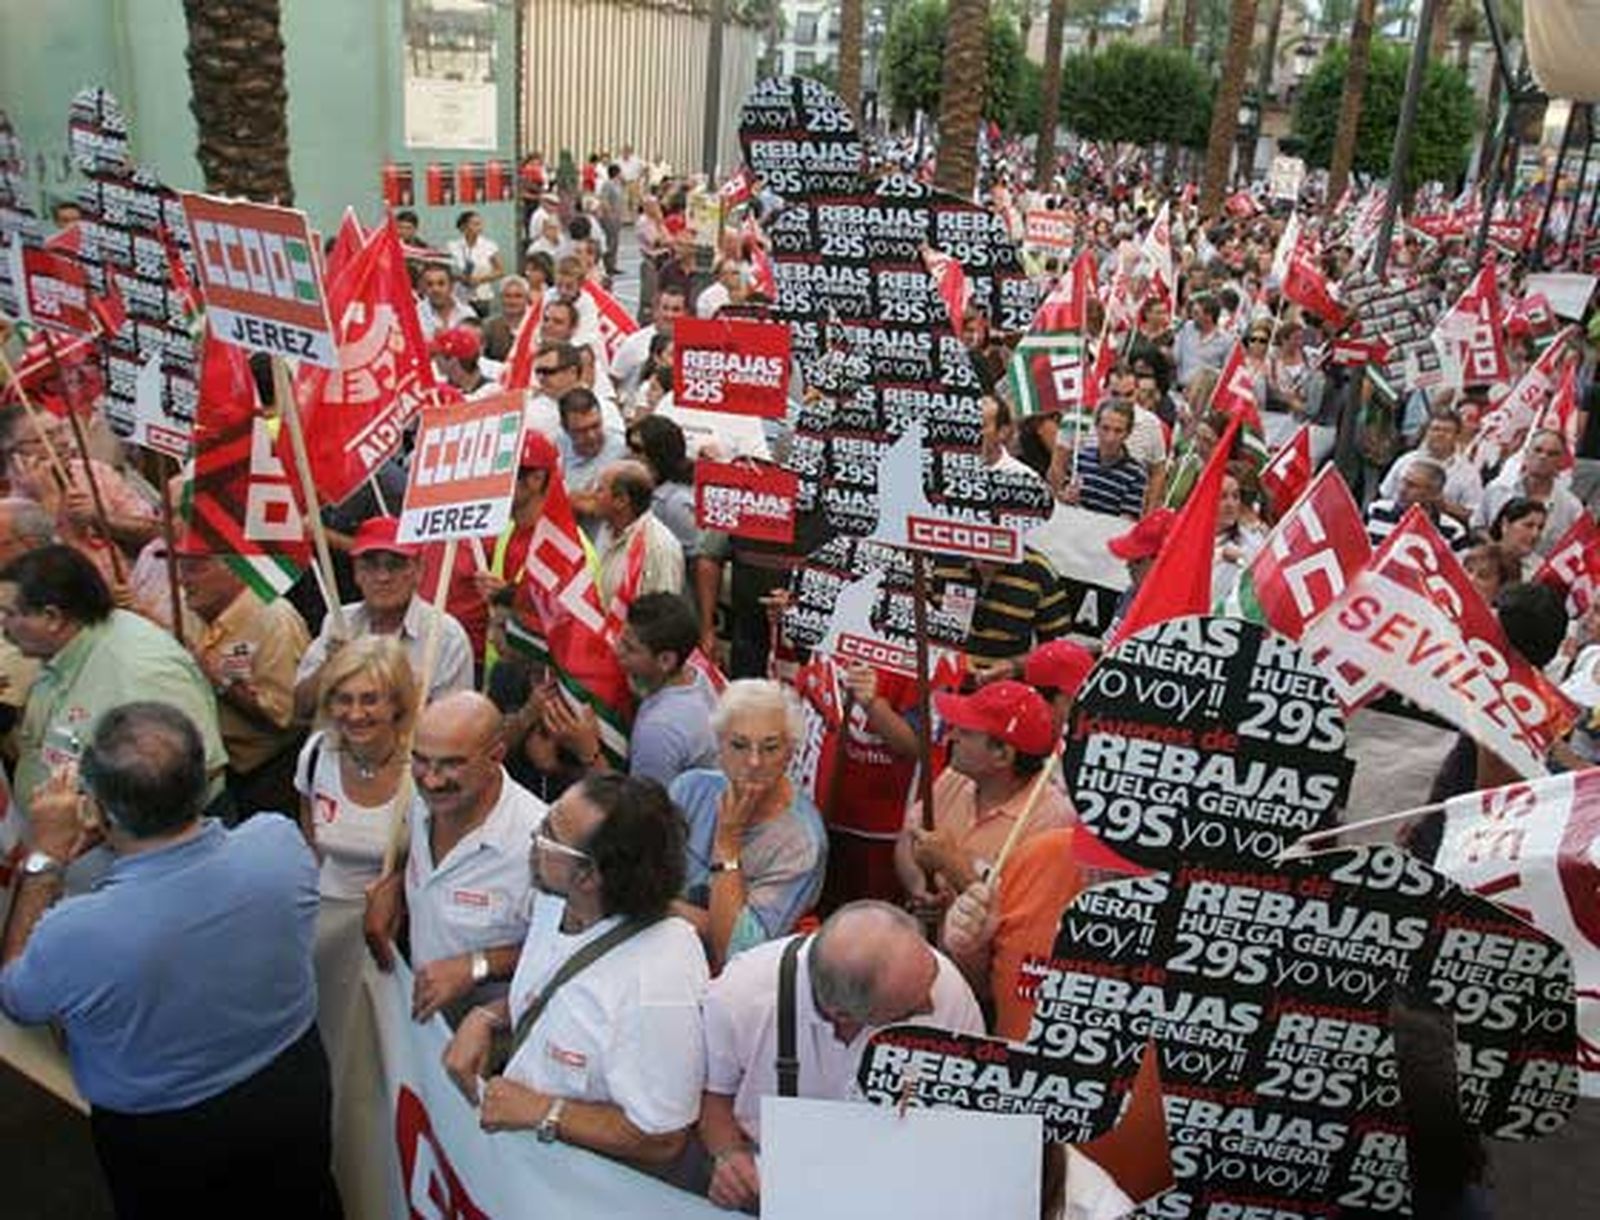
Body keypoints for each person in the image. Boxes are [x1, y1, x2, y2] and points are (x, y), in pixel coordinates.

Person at [0, 702, 341, 1219]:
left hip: (165, 1134)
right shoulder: (278, 844)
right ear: (201, 782)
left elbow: (17, 995)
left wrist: (45, 857)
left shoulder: (77, 932)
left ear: (100, 811)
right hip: (291, 1089)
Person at [440, 773, 709, 1172]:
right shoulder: (555, 899)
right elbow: (562, 994)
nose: (534, 837)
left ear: (589, 875)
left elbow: (662, 1137)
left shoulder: (658, 982)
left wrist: (545, 1111)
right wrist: (489, 1017)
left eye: (549, 834)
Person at [698, 905, 984, 1215]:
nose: (931, 1003)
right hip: (777, 1193)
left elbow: (969, 1127)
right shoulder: (741, 998)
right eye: (910, 1010)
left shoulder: (947, 992)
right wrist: (730, 1158)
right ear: (843, 1016)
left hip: (902, 1189)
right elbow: (715, 1098)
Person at [2, 545, 228, 829]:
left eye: (10, 613)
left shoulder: (142, 671)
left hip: (141, 852)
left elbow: (190, 775)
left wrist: (98, 830)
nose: (3, 626)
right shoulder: (63, 650)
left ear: (52, 618)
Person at [365, 692, 546, 1025]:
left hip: (491, 1043)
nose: (431, 780)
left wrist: (477, 966)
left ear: (496, 757)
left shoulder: (538, 845)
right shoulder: (419, 799)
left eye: (452, 764)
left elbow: (560, 953)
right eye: (420, 760)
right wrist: (396, 886)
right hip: (421, 1030)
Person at [296, 637, 418, 1071]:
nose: (355, 713)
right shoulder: (315, 756)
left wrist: (397, 890)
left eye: (371, 700)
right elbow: (312, 838)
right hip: (324, 927)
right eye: (343, 699)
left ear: (398, 704)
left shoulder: (421, 771)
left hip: (393, 936)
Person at [669, 679, 827, 968]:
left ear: (791, 752)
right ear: (719, 745)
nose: (754, 761)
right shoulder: (688, 790)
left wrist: (727, 843)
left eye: (770, 748)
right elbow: (634, 882)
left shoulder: (800, 842)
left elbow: (736, 951)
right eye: (739, 745)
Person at [895, 680, 1071, 918]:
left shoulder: (1051, 822)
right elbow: (907, 840)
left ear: (1002, 755)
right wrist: (919, 886)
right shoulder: (955, 778)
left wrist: (954, 867)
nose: (951, 735)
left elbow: (1017, 921)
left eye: (965, 732)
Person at [175, 535, 309, 818]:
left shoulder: (274, 620)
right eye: (180, 567)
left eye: (195, 568)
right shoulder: (190, 614)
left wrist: (219, 681)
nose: (183, 579)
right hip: (220, 774)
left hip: (271, 774)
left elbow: (286, 717)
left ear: (234, 568)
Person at [294, 517, 474, 719]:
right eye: (370, 565)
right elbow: (299, 709)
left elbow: (453, 725)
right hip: (338, 749)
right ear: (357, 573)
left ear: (419, 571)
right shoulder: (338, 622)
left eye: (395, 565)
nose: (383, 577)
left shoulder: (446, 636)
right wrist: (328, 669)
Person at [544, 593, 718, 789]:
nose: (616, 649)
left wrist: (588, 752)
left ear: (666, 661)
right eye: (621, 636)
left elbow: (640, 813)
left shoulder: (659, 731)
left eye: (630, 648)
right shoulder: (696, 673)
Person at [0, 404, 159, 591]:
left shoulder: (94, 472)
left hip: (135, 591)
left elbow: (157, 535)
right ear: (12, 453)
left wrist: (102, 519)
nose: (64, 441)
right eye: (45, 437)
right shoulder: (7, 508)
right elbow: (40, 579)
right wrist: (49, 501)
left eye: (61, 431)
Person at [1472, 429, 1584, 554]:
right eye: (1538, 450)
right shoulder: (1497, 489)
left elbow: (1578, 549)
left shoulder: (1572, 507)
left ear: (1562, 461)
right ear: (1526, 454)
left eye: (1552, 454)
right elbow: (1478, 526)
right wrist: (1497, 550)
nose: (1543, 457)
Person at [594, 460, 687, 602]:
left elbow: (663, 614)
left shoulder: (659, 548)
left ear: (621, 501)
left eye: (600, 489)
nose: (593, 495)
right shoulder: (605, 529)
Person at [1379, 409, 1482, 523]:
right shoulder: (1405, 461)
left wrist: (1445, 506)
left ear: (1457, 436)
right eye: (1435, 429)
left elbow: (1474, 514)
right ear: (1426, 432)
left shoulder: (1468, 473)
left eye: (1447, 431)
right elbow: (1385, 495)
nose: (1440, 434)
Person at [627, 414, 699, 560]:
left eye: (637, 449)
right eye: (630, 447)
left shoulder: (677, 503)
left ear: (659, 453)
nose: (630, 455)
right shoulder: (642, 488)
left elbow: (694, 558)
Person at [1058, 401, 1147, 518]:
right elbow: (1062, 502)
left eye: (1118, 431)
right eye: (1105, 428)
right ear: (1096, 427)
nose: (1110, 438)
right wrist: (1067, 498)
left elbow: (1126, 521)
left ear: (1128, 433)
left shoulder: (1136, 473)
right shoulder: (1079, 459)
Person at [560, 389, 629, 537]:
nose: (591, 436)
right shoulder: (556, 446)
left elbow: (601, 507)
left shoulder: (623, 451)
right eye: (581, 431)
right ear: (566, 429)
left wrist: (568, 497)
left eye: (596, 426)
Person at [1364, 458, 1470, 553]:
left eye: (1412, 486)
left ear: (1433, 494)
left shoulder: (1454, 531)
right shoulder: (1376, 511)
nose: (1402, 489)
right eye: (1403, 481)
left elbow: (1456, 571)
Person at [1212, 465, 1268, 603]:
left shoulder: (1253, 540)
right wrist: (1219, 555)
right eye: (1223, 497)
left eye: (1236, 496)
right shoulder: (1187, 541)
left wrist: (1245, 560)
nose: (1230, 504)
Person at [447, 209, 504, 317]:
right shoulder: (452, 246)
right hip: (460, 296)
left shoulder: (489, 246)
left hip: (482, 296)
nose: (479, 227)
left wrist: (480, 279)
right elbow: (447, 271)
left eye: (480, 224)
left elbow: (500, 271)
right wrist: (461, 278)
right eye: (475, 224)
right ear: (464, 227)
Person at [1488, 497, 1550, 581]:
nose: (1535, 534)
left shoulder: (1543, 570)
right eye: (1528, 525)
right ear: (1505, 524)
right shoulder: (1477, 559)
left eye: (1540, 528)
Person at [430, 326, 499, 400]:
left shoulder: (495, 392)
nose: (435, 360)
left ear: (453, 361)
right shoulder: (438, 394)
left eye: (437, 355)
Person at [482, 275, 534, 362]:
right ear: (501, 299)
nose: (512, 301)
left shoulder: (537, 326)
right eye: (507, 296)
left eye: (518, 296)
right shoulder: (488, 327)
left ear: (527, 299)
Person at [416, 263, 475, 340]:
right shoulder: (415, 315)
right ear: (424, 288)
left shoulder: (467, 313)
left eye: (441, 283)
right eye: (429, 284)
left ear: (451, 286)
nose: (435, 289)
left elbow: (477, 347)